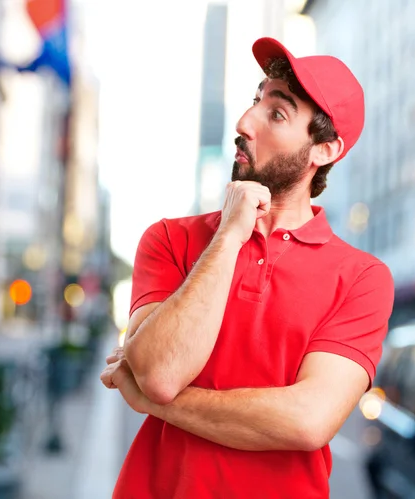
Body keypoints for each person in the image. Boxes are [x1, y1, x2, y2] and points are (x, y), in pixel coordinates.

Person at [101, 36, 395, 499]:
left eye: (277, 113)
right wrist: (229, 236)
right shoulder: (169, 240)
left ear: (325, 151)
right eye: (255, 100)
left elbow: (307, 420)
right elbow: (159, 370)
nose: (244, 122)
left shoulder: (362, 278)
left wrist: (156, 403)